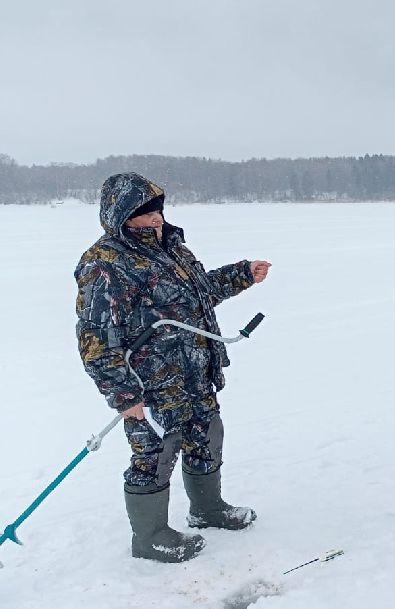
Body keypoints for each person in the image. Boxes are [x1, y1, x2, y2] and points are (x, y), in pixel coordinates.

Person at [75, 172, 271, 562]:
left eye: (157, 209)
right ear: (121, 215)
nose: (155, 218)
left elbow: (197, 295)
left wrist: (240, 275)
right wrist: (122, 394)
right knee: (154, 455)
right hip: (150, 384)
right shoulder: (105, 263)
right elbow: (94, 337)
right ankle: (150, 538)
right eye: (144, 212)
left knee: (207, 435)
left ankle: (207, 509)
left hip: (195, 370)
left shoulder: (172, 248)